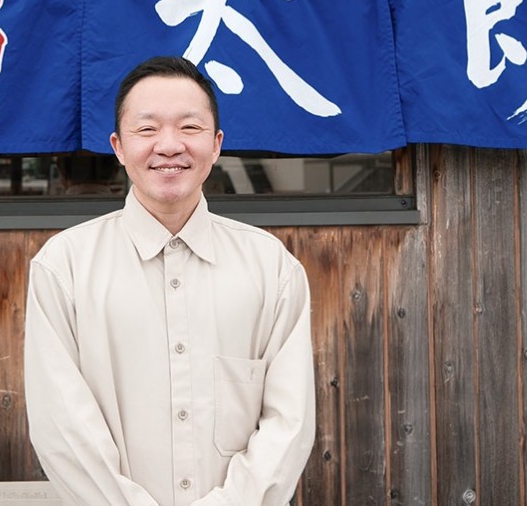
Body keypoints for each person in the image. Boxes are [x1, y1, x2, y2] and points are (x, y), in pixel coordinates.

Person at [24, 56, 315, 506]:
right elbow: (62, 429)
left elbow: (288, 423)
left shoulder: (271, 268)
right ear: (118, 147)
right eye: (147, 129)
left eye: (189, 128)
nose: (169, 145)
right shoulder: (63, 268)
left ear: (216, 144)